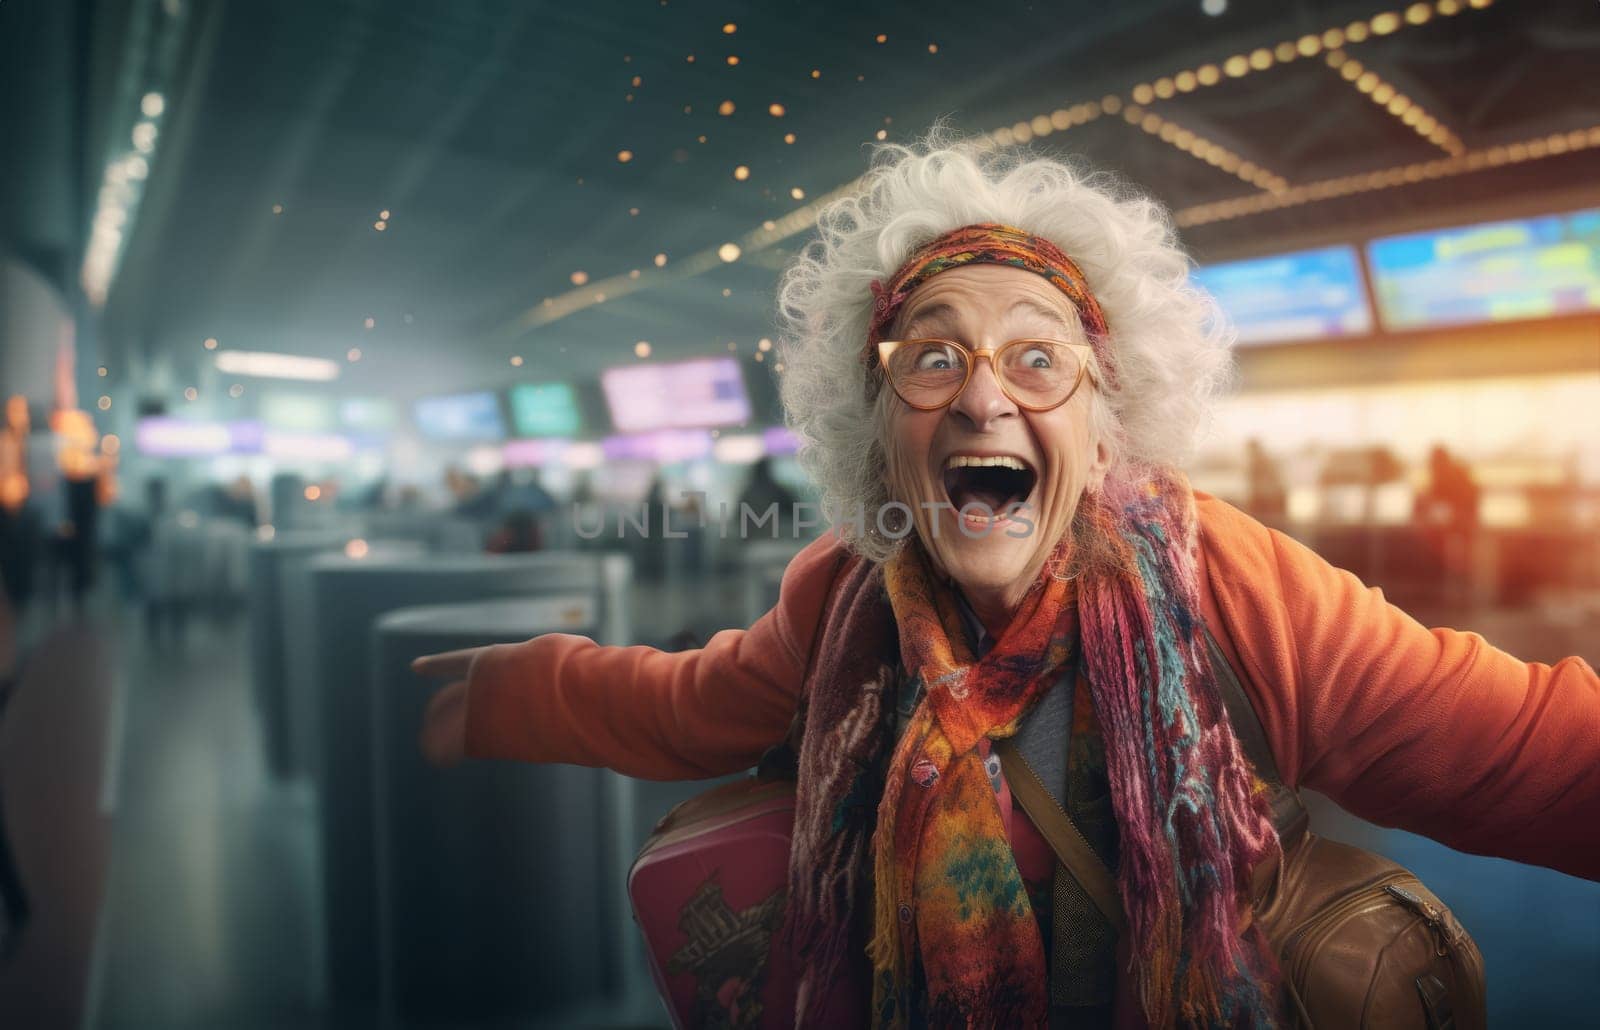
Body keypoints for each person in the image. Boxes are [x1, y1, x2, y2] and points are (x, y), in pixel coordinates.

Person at [414, 133, 1600, 1027]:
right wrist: (503, 689)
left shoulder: (1223, 584)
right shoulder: (844, 596)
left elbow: (1527, 752)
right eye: (932, 356)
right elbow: (686, 706)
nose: (986, 397)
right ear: (877, 427)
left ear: (1105, 411)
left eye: (1039, 356)